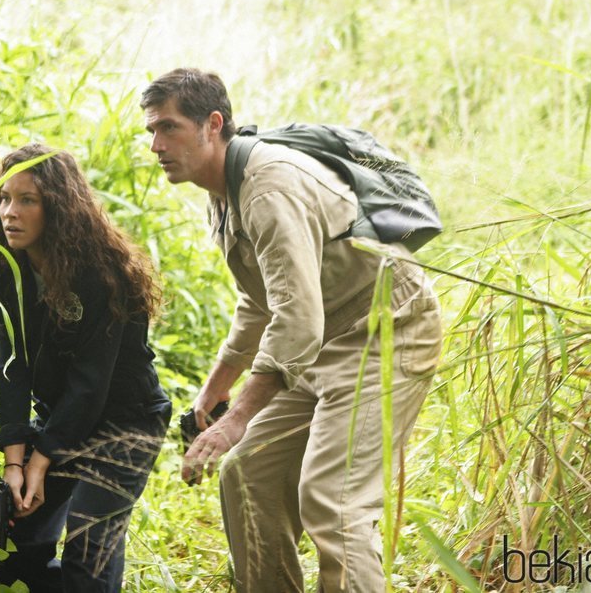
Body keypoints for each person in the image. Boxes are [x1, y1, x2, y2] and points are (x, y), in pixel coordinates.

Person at [141, 68, 443, 592]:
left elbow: (297, 320)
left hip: (385, 334)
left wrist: (236, 419)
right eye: (151, 131)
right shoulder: (224, 189)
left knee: (335, 500)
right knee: (248, 472)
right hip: (322, 343)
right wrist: (216, 387)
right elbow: (262, 300)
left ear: (213, 125)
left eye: (168, 129)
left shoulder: (266, 188)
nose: (155, 145)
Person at [0, 143, 172, 592]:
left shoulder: (102, 275)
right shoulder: (5, 271)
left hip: (126, 419)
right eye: (4, 198)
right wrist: (15, 462)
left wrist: (42, 461)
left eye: (28, 200)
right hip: (61, 415)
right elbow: (11, 369)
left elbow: (90, 384)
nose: (10, 212)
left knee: (87, 551)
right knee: (12, 539)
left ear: (58, 207)